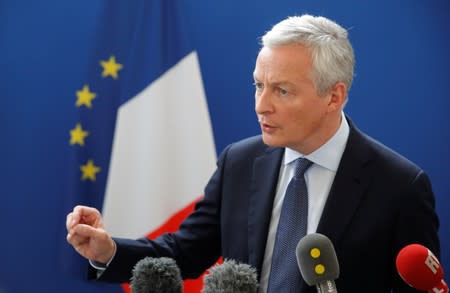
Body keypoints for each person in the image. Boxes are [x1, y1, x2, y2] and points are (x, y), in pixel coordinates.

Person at [66, 14, 440, 292]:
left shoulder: (399, 186)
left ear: (334, 96)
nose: (261, 106)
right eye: (258, 85)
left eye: (282, 91)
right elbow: (185, 252)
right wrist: (109, 250)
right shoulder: (239, 162)